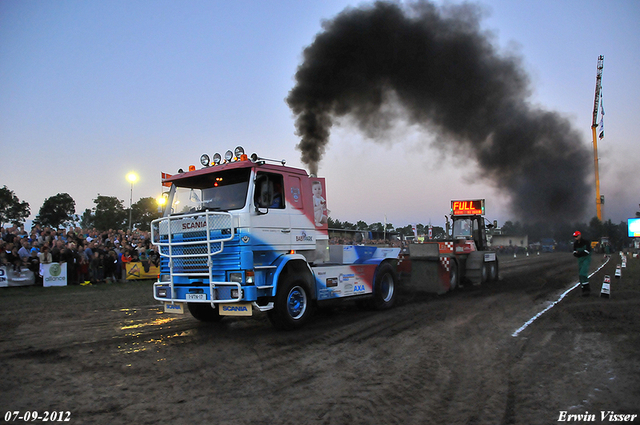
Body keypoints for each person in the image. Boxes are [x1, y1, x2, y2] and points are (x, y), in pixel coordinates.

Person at [573, 231, 592, 295]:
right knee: (580, 275)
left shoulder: (586, 242)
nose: (575, 238)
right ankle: (583, 289)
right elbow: (574, 252)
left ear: (580, 235)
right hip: (580, 260)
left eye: (576, 236)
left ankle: (587, 288)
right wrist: (578, 253)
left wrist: (579, 253)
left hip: (586, 258)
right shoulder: (575, 243)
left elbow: (587, 251)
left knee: (583, 273)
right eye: (575, 237)